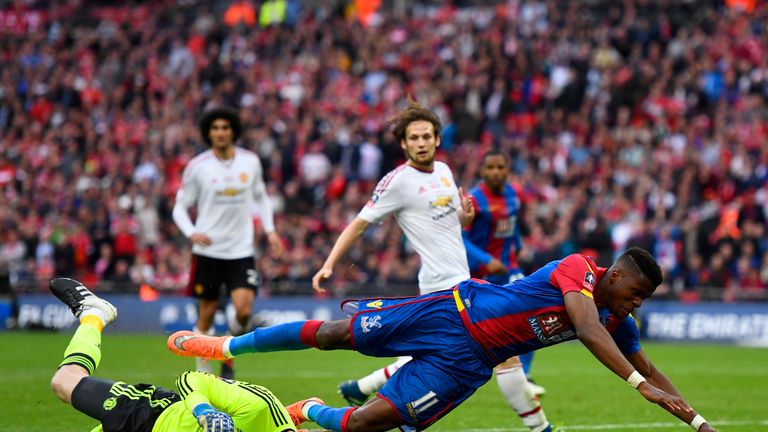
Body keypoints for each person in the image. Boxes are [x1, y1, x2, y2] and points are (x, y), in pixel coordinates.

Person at [168, 247, 717, 432]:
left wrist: (693, 418)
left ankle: (309, 409)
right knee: (336, 334)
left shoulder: (621, 321)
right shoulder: (580, 271)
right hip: (449, 314)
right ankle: (223, 347)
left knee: (368, 423)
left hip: (466, 363)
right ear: (616, 276)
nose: (636, 305)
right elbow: (590, 328)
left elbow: (652, 373)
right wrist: (636, 382)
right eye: (637, 294)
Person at [312, 98, 551, 431]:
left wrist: (464, 218)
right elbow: (360, 223)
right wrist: (329, 264)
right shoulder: (397, 181)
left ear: (437, 139)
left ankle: (364, 390)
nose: (421, 143)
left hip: (461, 281)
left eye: (427, 136)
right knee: (502, 353)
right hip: (442, 288)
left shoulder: (444, 171)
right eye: (414, 138)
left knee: (433, 360)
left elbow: (453, 224)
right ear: (403, 143)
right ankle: (542, 429)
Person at [48, 277, 299, 432]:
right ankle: (94, 314)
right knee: (64, 382)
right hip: (151, 417)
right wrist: (205, 412)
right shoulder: (262, 406)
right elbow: (192, 379)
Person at [173, 106, 284, 379]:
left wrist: (270, 231)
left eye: (225, 127)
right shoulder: (198, 167)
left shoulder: (250, 161)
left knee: (245, 311)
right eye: (215, 128)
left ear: (233, 131)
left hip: (241, 250)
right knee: (206, 315)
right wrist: (190, 232)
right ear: (208, 134)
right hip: (208, 250)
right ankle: (204, 374)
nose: (220, 133)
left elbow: (261, 198)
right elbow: (179, 206)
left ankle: (228, 345)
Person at [463, 149, 546, 398]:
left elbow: (512, 225)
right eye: (491, 168)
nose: (496, 172)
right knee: (470, 329)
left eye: (501, 167)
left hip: (508, 266)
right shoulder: (474, 200)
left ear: (508, 170)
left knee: (532, 308)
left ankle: (526, 376)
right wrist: (486, 260)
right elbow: (462, 238)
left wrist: (518, 244)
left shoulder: (514, 193)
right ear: (482, 171)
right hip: (479, 272)